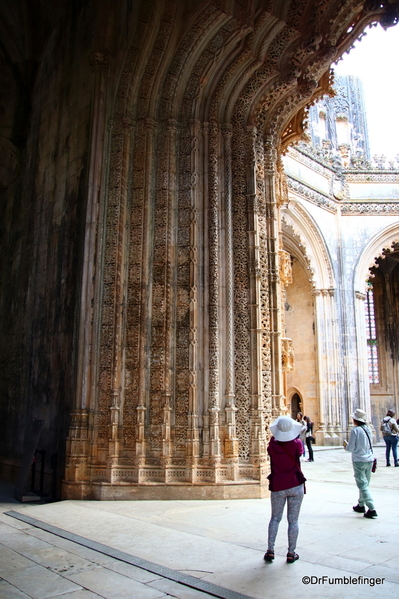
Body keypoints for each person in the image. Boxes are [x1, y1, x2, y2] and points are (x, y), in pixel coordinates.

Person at [264, 416, 306, 564]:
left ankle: (270, 550)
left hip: (278, 485)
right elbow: (300, 452)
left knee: (275, 518)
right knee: (293, 521)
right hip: (295, 485)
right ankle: (291, 553)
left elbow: (270, 449)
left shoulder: (272, 445)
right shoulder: (297, 444)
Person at [343, 408, 377, 519]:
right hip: (369, 459)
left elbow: (351, 447)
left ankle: (371, 508)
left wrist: (346, 445)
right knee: (365, 483)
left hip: (359, 460)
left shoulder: (355, 430)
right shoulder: (368, 429)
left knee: (362, 484)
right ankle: (361, 504)